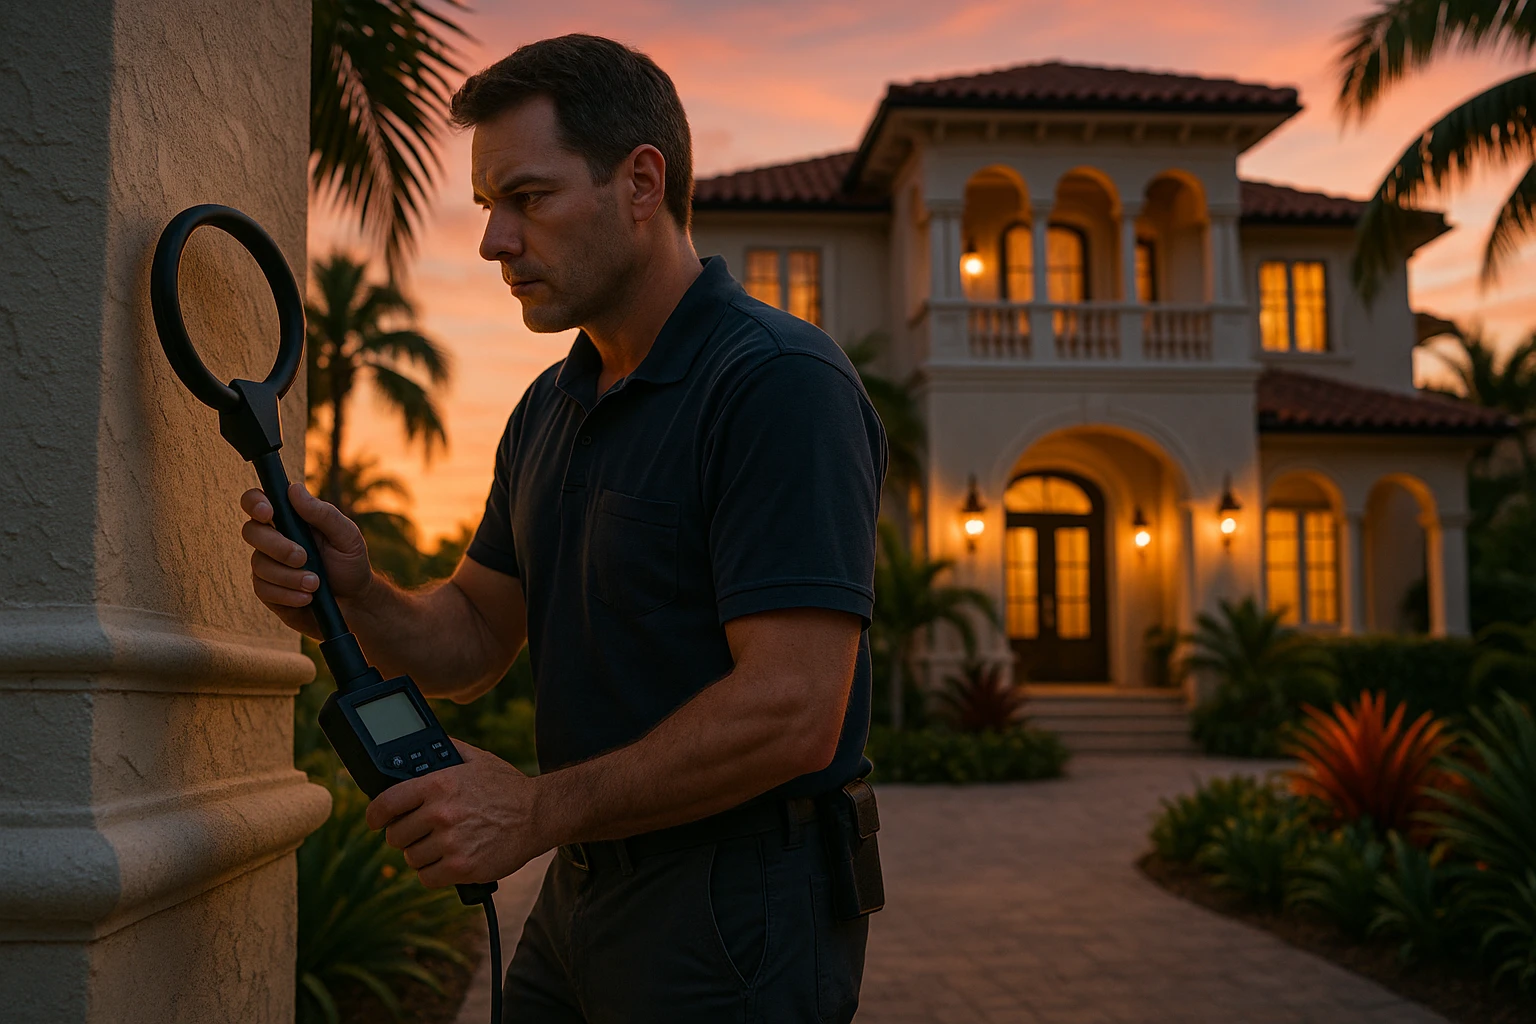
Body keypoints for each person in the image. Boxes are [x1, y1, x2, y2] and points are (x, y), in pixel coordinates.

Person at [239, 32, 886, 1024]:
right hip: (581, 889)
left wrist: (535, 808)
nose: (495, 241)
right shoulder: (549, 407)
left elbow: (794, 710)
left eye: (527, 198)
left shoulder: (775, 384)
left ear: (640, 182)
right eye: (488, 206)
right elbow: (473, 638)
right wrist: (359, 592)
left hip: (739, 903)